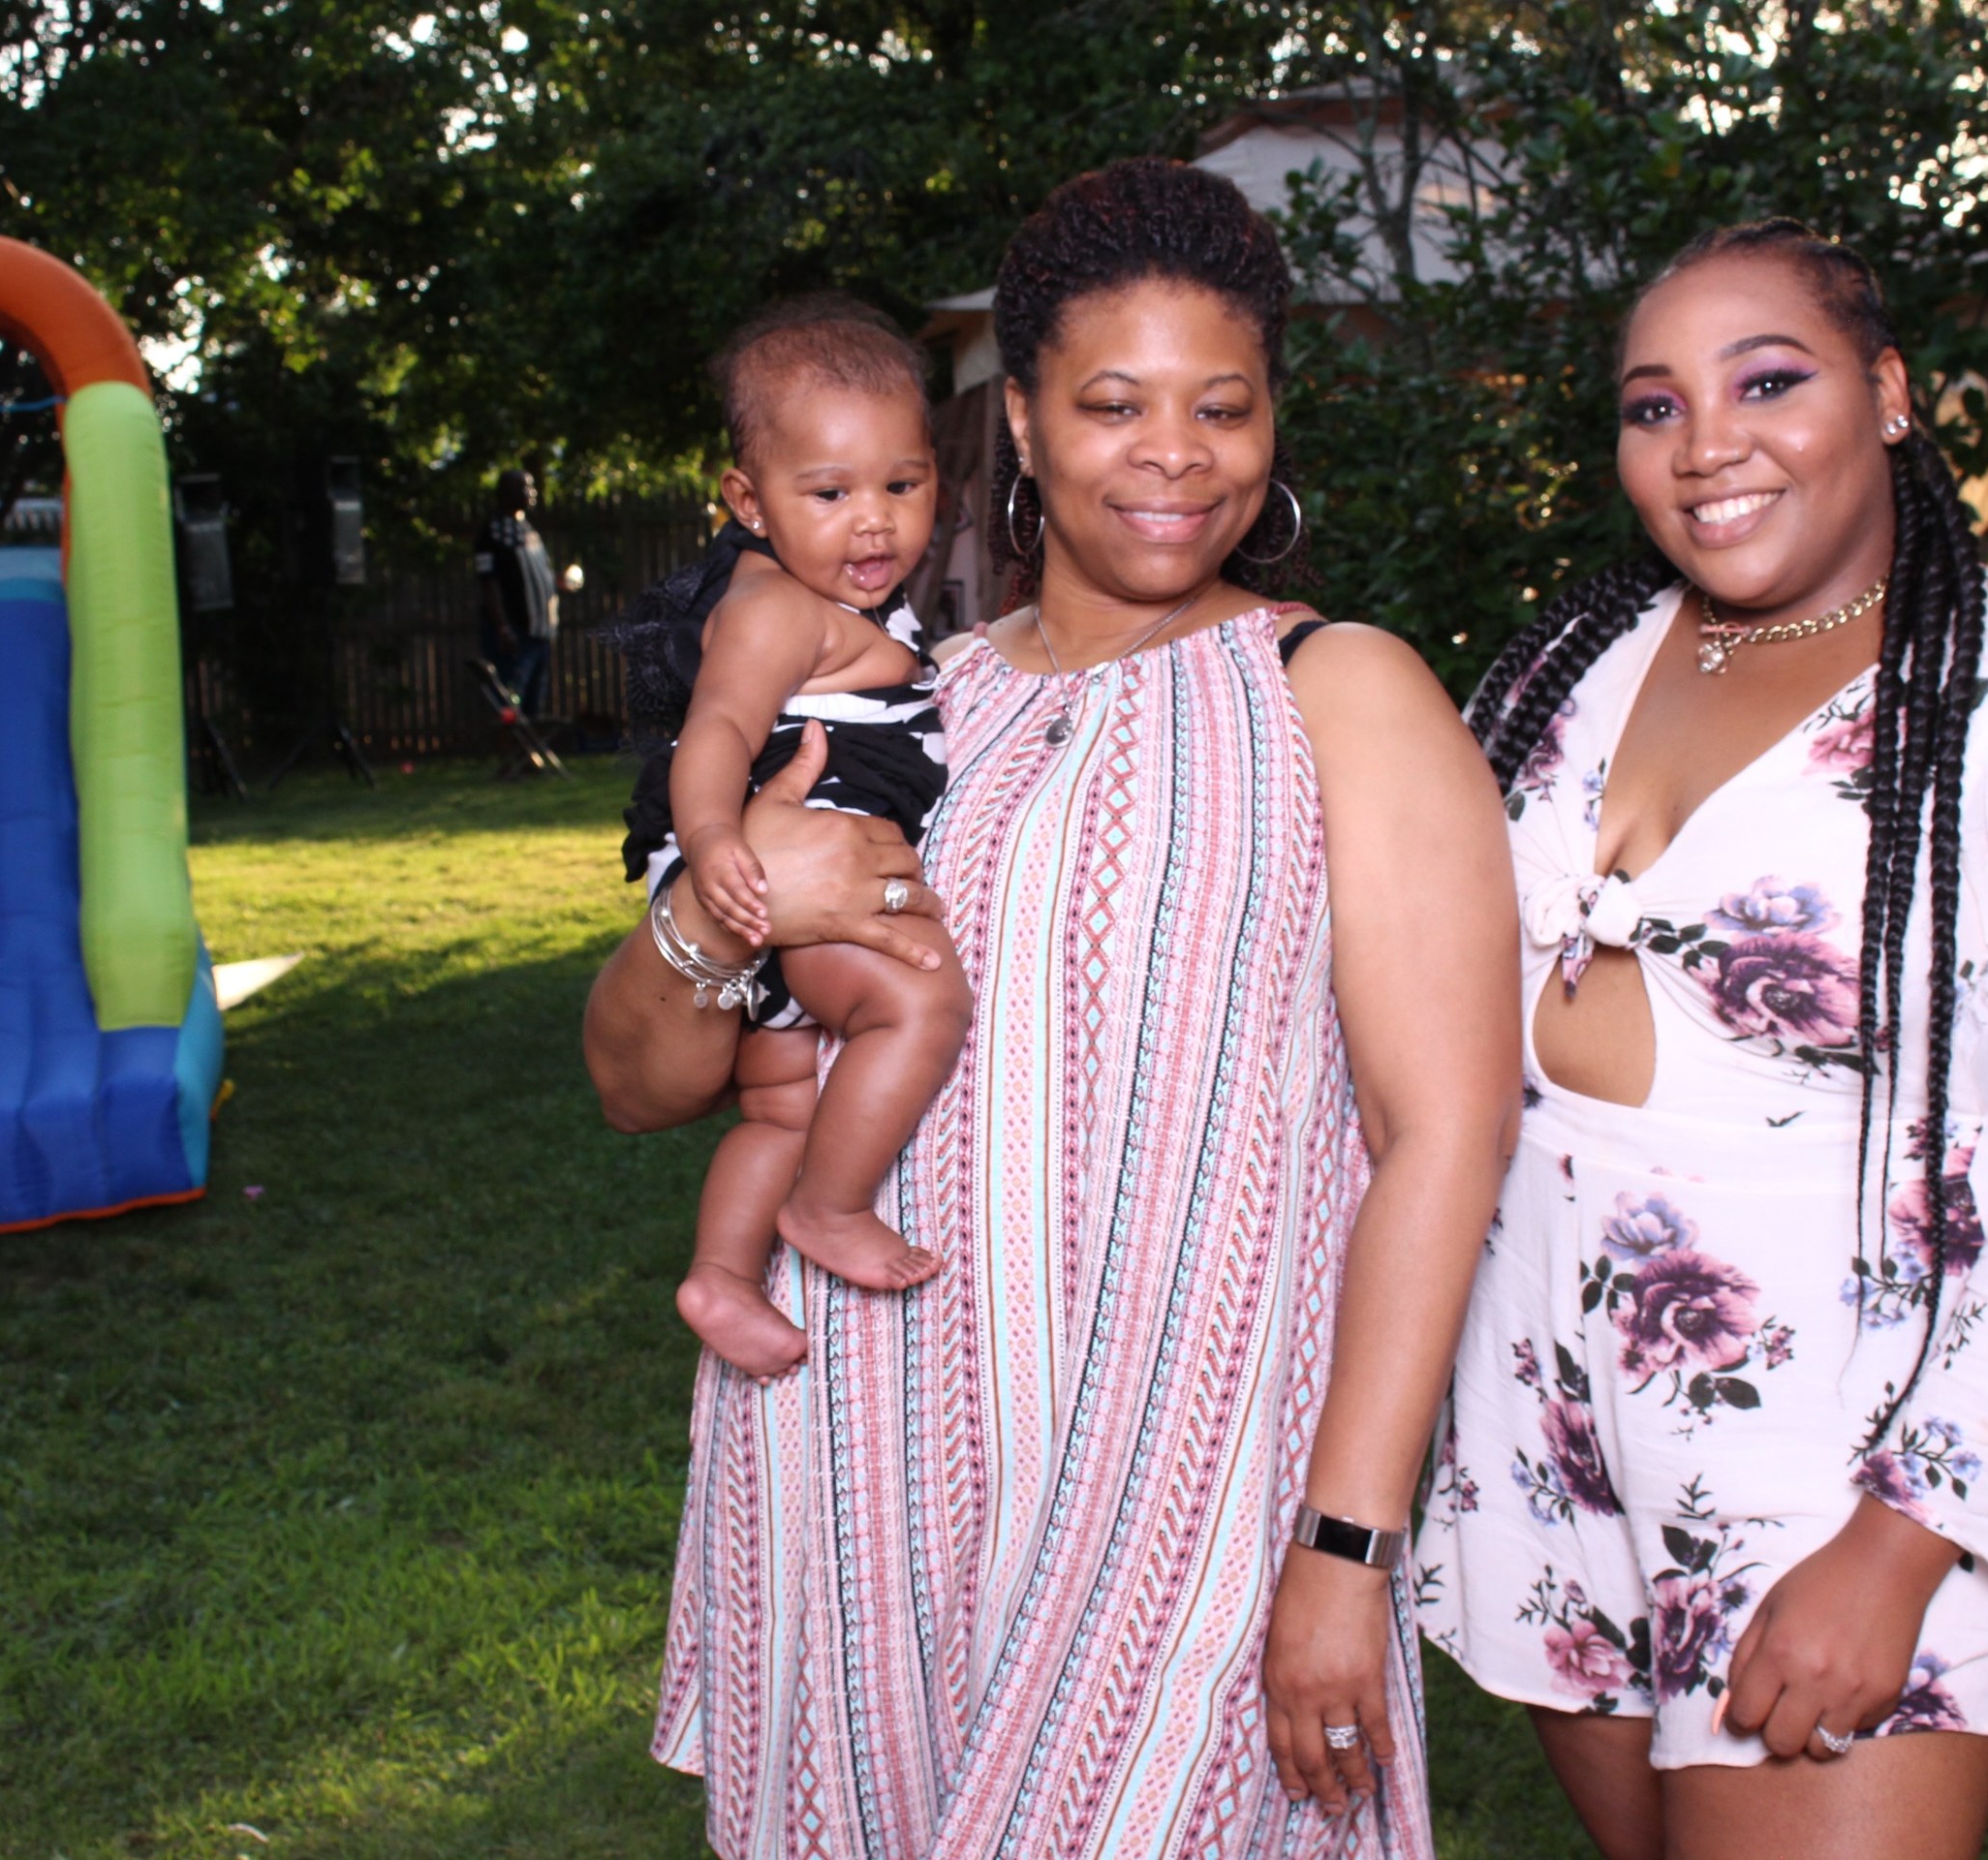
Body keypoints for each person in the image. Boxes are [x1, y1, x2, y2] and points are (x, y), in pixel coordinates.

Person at [583, 159, 1520, 1855]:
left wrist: (1345, 1546)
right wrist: (722, 911)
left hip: (1193, 1494)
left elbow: (1444, 1136)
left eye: (1222, 406)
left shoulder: (1339, 688)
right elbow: (640, 1087)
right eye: (1112, 403)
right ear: (1018, 418)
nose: (1176, 452)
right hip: (863, 1464)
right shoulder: (906, 704)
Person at [1412, 220, 1988, 1860]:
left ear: (1891, 394)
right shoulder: (1583, 663)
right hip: (1555, 1426)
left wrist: (1901, 1547)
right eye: (1655, 406)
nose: (1706, 443)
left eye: (1768, 382)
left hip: (1849, 1465)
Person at [615, 296, 970, 1380]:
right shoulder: (775, 606)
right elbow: (719, 728)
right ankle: (830, 1206)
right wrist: (715, 840)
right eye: (830, 493)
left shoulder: (847, 602)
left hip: (771, 901)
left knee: (780, 1109)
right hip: (783, 876)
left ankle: (721, 1275)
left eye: (902, 486)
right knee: (920, 1004)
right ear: (748, 501)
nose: (874, 523)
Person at [475, 467, 558, 712]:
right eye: (525, 487)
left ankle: (527, 738)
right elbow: (488, 582)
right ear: (506, 492)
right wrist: (503, 627)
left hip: (538, 633)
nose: (532, 492)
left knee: (534, 703)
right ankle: (510, 736)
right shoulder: (494, 532)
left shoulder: (527, 530)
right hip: (515, 635)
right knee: (511, 700)